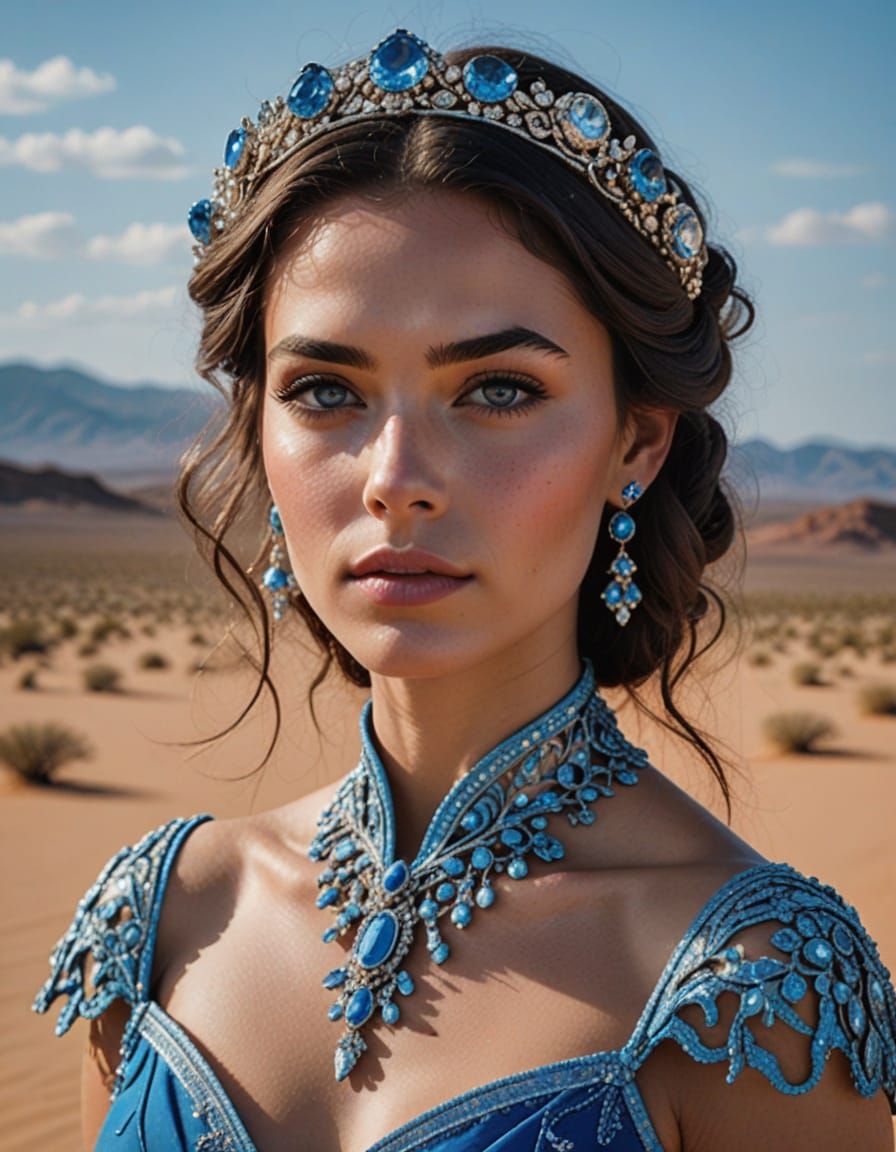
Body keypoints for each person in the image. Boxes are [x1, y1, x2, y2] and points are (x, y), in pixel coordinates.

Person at [33, 28, 896, 1152]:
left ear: (633, 442)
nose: (394, 480)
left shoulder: (748, 990)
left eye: (495, 388)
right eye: (325, 391)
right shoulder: (159, 921)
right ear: (258, 431)